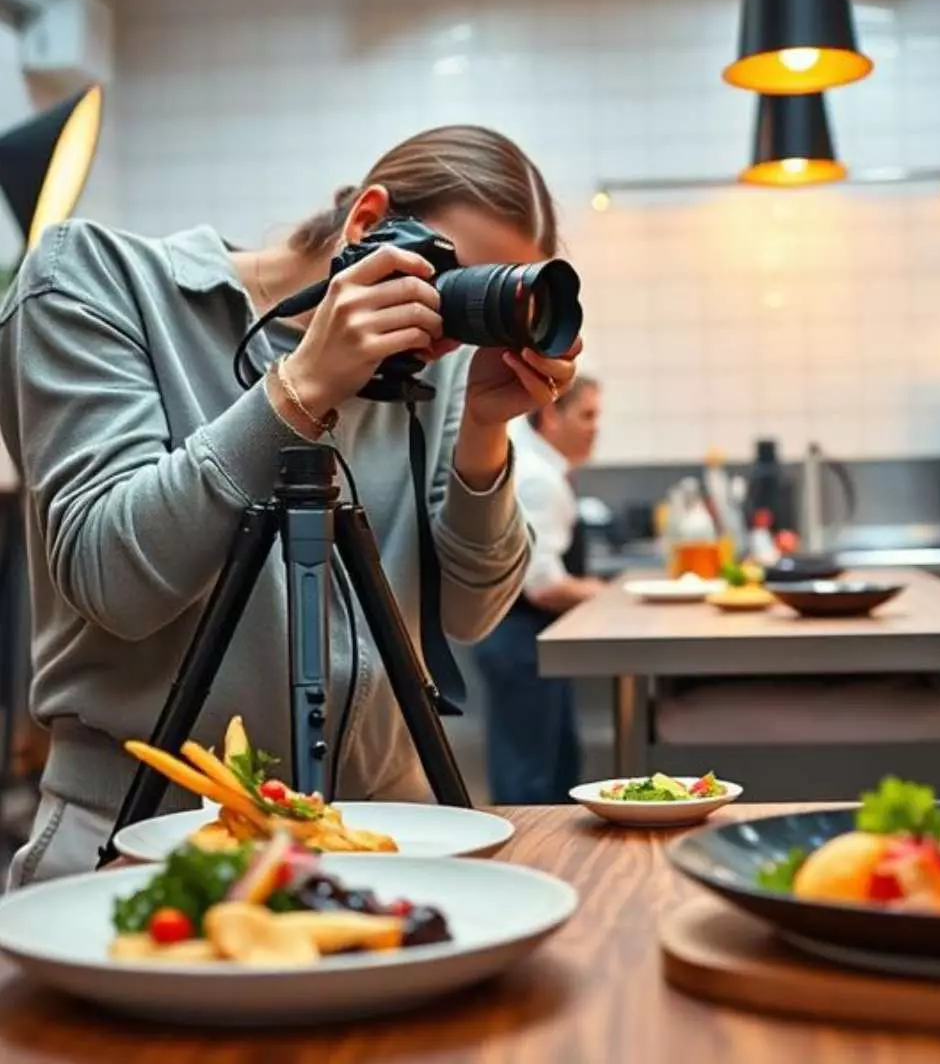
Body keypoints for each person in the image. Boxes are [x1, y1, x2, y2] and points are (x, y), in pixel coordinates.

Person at [0, 124, 580, 887]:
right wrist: (301, 387)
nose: (452, 326)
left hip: (380, 838)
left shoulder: (429, 372)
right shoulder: (100, 280)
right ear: (369, 223)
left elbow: (469, 615)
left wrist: (484, 429)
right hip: (149, 840)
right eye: (452, 281)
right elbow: (115, 580)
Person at [474, 376, 603, 804]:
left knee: (552, 767)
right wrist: (605, 594)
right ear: (550, 415)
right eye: (587, 415)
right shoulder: (537, 478)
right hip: (521, 641)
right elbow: (544, 587)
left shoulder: (539, 468)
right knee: (529, 779)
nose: (594, 427)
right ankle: (528, 860)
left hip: (528, 641)